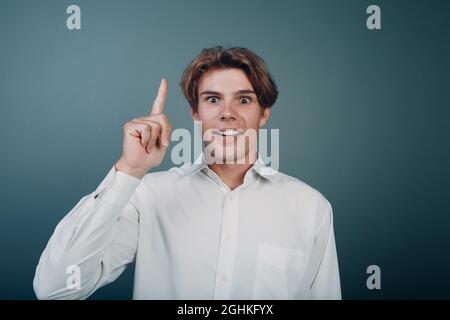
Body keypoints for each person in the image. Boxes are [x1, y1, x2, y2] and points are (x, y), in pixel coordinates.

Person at [33, 46, 341, 300]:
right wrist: (128, 171)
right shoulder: (149, 196)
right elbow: (54, 289)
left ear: (263, 114)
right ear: (195, 113)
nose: (227, 113)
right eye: (212, 99)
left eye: (244, 100)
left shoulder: (310, 207)